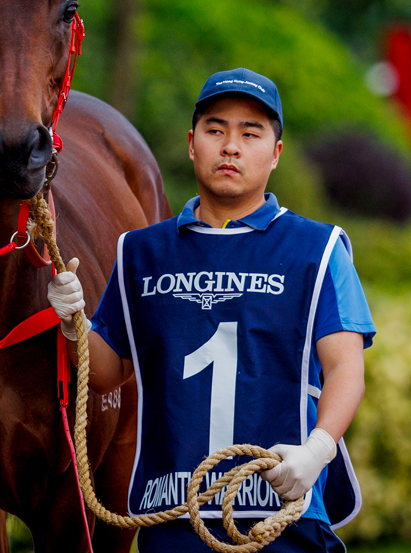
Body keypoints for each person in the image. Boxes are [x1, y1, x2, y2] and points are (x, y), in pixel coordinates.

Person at [49, 69, 374, 552]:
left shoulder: (318, 249)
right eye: (216, 129)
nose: (230, 146)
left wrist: (318, 450)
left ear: (276, 154)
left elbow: (345, 367)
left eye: (251, 133)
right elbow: (109, 372)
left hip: (284, 510)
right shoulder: (140, 252)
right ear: (191, 143)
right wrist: (72, 324)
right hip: (174, 516)